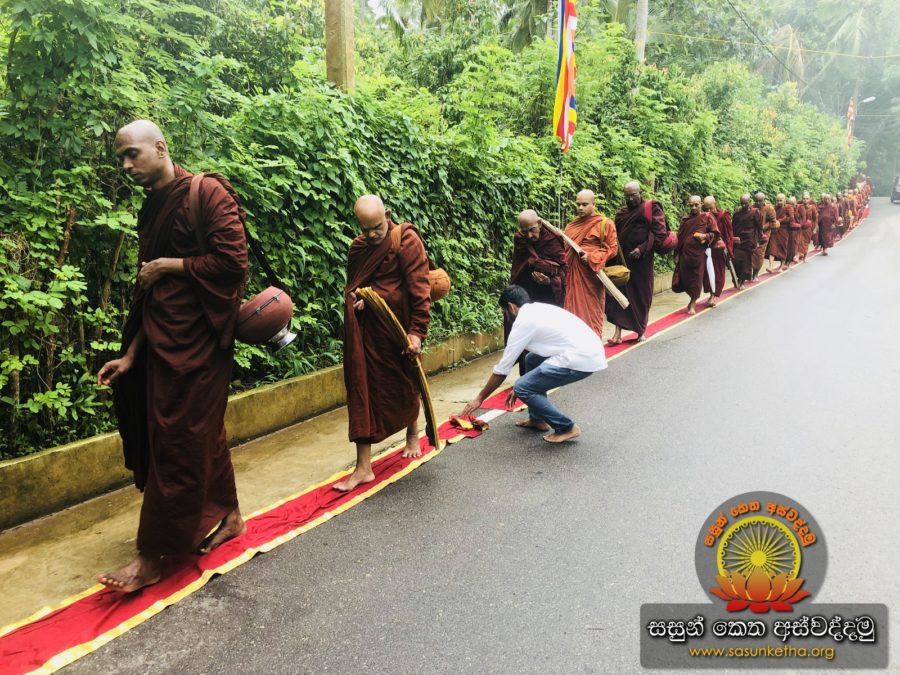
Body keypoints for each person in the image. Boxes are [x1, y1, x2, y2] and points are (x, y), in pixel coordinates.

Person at [96, 120, 249, 592]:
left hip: (200, 343)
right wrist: (130, 356)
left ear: (161, 148)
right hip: (160, 342)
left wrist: (172, 265)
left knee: (177, 441)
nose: (126, 165)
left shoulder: (208, 194)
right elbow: (150, 293)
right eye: (121, 157)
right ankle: (231, 516)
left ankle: (152, 556)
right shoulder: (152, 207)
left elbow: (232, 264)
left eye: (133, 154)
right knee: (199, 433)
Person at [337, 195, 432, 492]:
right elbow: (355, 287)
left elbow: (419, 288)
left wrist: (417, 332)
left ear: (387, 215)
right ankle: (363, 467)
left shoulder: (405, 240)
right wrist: (360, 300)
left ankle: (412, 432)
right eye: (365, 230)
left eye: (377, 227)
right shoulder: (359, 248)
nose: (372, 235)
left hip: (396, 330)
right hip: (366, 333)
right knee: (361, 391)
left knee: (403, 384)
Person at [460, 285, 607, 443]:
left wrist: (479, 398)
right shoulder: (537, 309)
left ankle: (567, 427)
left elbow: (502, 370)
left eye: (505, 312)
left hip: (582, 358)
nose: (506, 317)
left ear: (511, 307)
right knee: (531, 359)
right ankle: (537, 419)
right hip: (589, 350)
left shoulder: (523, 323)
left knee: (522, 387)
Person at [606, 181, 668, 345]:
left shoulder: (651, 208)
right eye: (627, 196)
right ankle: (617, 333)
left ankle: (640, 330)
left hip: (642, 261)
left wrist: (642, 249)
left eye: (633, 195)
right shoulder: (621, 213)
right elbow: (615, 236)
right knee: (619, 295)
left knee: (642, 295)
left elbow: (659, 234)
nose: (630, 199)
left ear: (640, 193)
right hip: (623, 260)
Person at [563, 190, 619, 339]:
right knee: (572, 313)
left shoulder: (605, 223)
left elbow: (612, 249)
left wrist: (592, 257)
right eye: (578, 204)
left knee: (592, 312)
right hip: (572, 277)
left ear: (594, 204)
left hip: (592, 276)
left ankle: (593, 347)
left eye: (584, 204)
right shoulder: (571, 226)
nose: (580, 208)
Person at [509, 210, 568, 307]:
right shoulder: (520, 238)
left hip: (548, 294)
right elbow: (518, 269)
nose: (529, 235)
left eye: (532, 229)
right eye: (525, 231)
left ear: (539, 223)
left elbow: (563, 269)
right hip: (527, 289)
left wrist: (549, 281)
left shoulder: (552, 239)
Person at [674, 196, 719, 315]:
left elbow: (715, 234)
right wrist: (676, 254)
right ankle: (692, 300)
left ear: (701, 205)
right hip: (685, 255)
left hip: (699, 255)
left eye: (696, 205)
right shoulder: (685, 220)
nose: (694, 207)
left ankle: (692, 304)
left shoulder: (707, 217)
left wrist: (705, 236)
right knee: (686, 279)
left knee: (696, 279)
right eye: (691, 205)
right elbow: (680, 237)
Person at [701, 195, 732, 306]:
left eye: (711, 207)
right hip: (707, 249)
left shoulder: (723, 215)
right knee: (708, 274)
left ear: (715, 203)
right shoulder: (703, 216)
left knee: (718, 274)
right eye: (706, 208)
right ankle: (710, 294)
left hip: (719, 249)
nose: (709, 210)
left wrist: (729, 249)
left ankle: (713, 296)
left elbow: (729, 234)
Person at [730, 194, 761, 287]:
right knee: (736, 261)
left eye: (746, 203)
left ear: (750, 202)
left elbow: (759, 227)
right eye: (742, 203)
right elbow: (733, 226)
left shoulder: (755, 212)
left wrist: (757, 240)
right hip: (739, 241)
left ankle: (742, 280)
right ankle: (737, 279)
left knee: (746, 263)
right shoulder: (737, 213)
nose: (744, 206)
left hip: (749, 241)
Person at [752, 192, 777, 280]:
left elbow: (773, 222)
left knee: (759, 254)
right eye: (756, 201)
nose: (758, 203)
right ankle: (750, 272)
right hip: (753, 234)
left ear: (764, 200)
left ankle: (755, 273)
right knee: (751, 253)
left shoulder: (769, 208)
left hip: (764, 235)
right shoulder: (752, 208)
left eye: (760, 201)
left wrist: (763, 227)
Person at [768, 194, 794, 273]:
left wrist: (780, 221)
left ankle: (781, 267)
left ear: (784, 200)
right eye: (778, 200)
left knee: (783, 248)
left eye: (780, 200)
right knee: (772, 248)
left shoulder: (788, 207)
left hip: (784, 230)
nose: (779, 202)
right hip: (775, 230)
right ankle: (771, 267)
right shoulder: (775, 208)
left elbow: (791, 217)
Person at [797, 192, 818, 262]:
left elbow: (815, 218)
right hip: (801, 227)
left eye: (807, 199)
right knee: (799, 241)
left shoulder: (812, 208)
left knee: (806, 242)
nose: (805, 200)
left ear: (810, 199)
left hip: (809, 228)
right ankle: (798, 255)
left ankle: (804, 257)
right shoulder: (799, 207)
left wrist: (814, 228)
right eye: (804, 199)